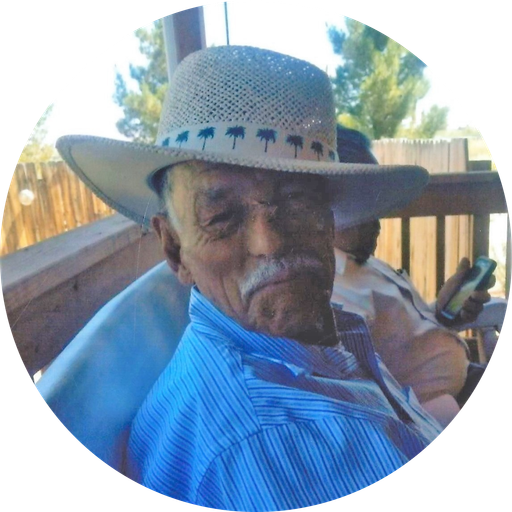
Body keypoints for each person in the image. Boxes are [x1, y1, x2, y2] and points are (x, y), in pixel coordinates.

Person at [56, 46, 440, 511]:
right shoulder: (269, 442)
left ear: (328, 220)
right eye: (221, 217)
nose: (269, 242)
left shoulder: (305, 342)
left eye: (297, 201)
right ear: (175, 249)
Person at [331, 125, 494, 425]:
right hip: (440, 411)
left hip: (466, 378)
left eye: (379, 204)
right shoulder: (334, 295)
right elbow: (374, 406)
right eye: (365, 206)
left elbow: (402, 342)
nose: (378, 223)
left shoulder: (366, 261)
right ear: (330, 205)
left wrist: (443, 313)